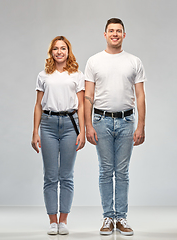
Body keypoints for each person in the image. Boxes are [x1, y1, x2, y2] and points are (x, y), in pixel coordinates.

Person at [84, 18, 146, 236]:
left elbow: (140, 95)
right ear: (105, 34)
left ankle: (121, 217)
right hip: (101, 121)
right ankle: (107, 217)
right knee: (105, 171)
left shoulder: (134, 61)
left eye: (118, 31)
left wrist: (141, 125)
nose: (115, 34)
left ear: (124, 35)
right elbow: (88, 95)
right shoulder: (94, 61)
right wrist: (87, 125)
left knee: (122, 172)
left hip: (127, 121)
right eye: (111, 31)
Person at [31, 36, 85, 235]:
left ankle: (63, 220)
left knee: (67, 176)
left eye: (63, 48)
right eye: (56, 49)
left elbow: (81, 105)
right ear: (51, 52)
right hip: (48, 125)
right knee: (51, 176)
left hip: (71, 125)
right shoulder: (44, 75)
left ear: (68, 51)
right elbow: (38, 105)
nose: (59, 52)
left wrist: (83, 132)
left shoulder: (77, 75)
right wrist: (35, 131)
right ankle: (52, 221)